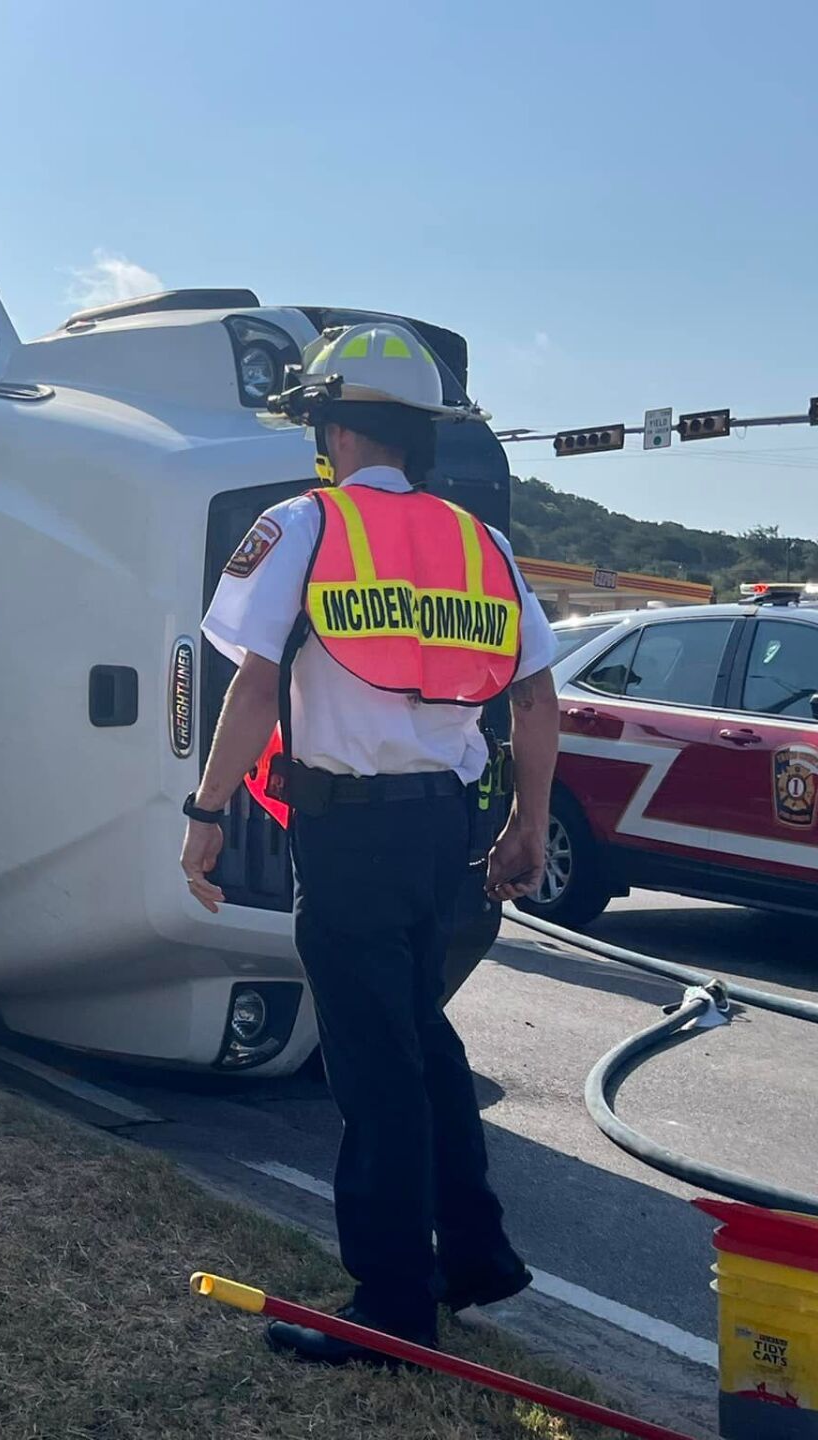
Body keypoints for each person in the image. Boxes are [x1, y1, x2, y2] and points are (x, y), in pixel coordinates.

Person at [179, 322, 559, 1364]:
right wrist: (528, 825)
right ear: (417, 435)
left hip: (348, 838)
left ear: (332, 429)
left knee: (376, 1066)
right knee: (422, 1041)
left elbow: (256, 684)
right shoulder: (481, 543)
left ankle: (392, 1307)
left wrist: (206, 815)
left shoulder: (304, 523)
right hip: (447, 832)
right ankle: (475, 1258)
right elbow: (535, 697)